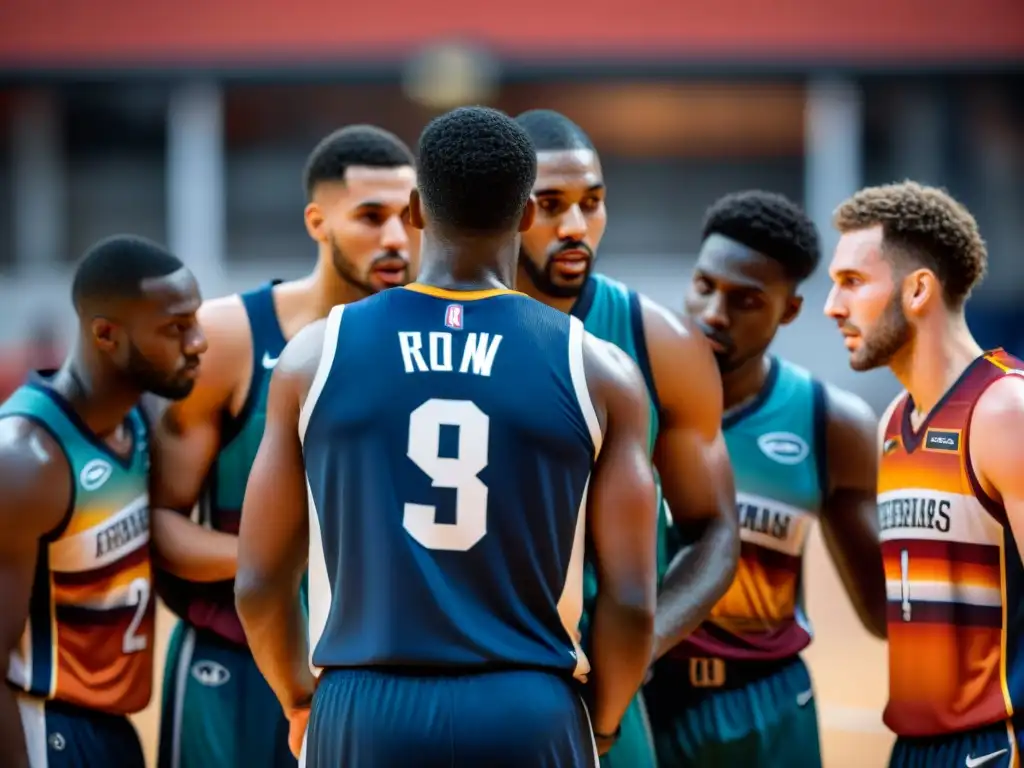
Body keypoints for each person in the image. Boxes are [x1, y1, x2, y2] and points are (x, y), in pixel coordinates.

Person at [235, 106, 659, 767]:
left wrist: (298, 700)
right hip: (528, 704)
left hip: (363, 702)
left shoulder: (313, 357)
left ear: (415, 212)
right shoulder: (599, 369)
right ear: (524, 216)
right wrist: (600, 725)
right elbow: (632, 601)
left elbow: (259, 583)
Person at [151, 125, 419, 768]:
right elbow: (159, 527)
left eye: (409, 218)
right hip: (233, 661)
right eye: (370, 217)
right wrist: (295, 552)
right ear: (317, 222)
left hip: (365, 673)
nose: (395, 239)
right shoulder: (230, 337)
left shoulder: (432, 341)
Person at [513, 108, 739, 768]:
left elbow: (715, 531)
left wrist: (633, 650)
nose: (576, 227)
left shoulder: (661, 342)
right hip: (478, 674)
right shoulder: (444, 329)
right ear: (507, 210)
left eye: (593, 203)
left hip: (600, 684)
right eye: (550, 205)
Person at [642, 191, 886, 767]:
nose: (714, 314)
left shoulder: (831, 422)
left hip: (769, 702)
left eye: (746, 299)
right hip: (648, 694)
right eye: (704, 286)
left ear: (790, 310)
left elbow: (882, 614)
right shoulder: (629, 396)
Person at [825, 181, 1024, 768]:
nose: (833, 306)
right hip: (912, 749)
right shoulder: (890, 422)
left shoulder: (1004, 412)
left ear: (917, 290)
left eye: (853, 283)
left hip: (994, 747)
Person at [0, 235, 215, 767]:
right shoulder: (27, 459)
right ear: (106, 335)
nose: (199, 342)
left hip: (112, 729)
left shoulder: (138, 424)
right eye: (176, 327)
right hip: (47, 728)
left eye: (196, 320)